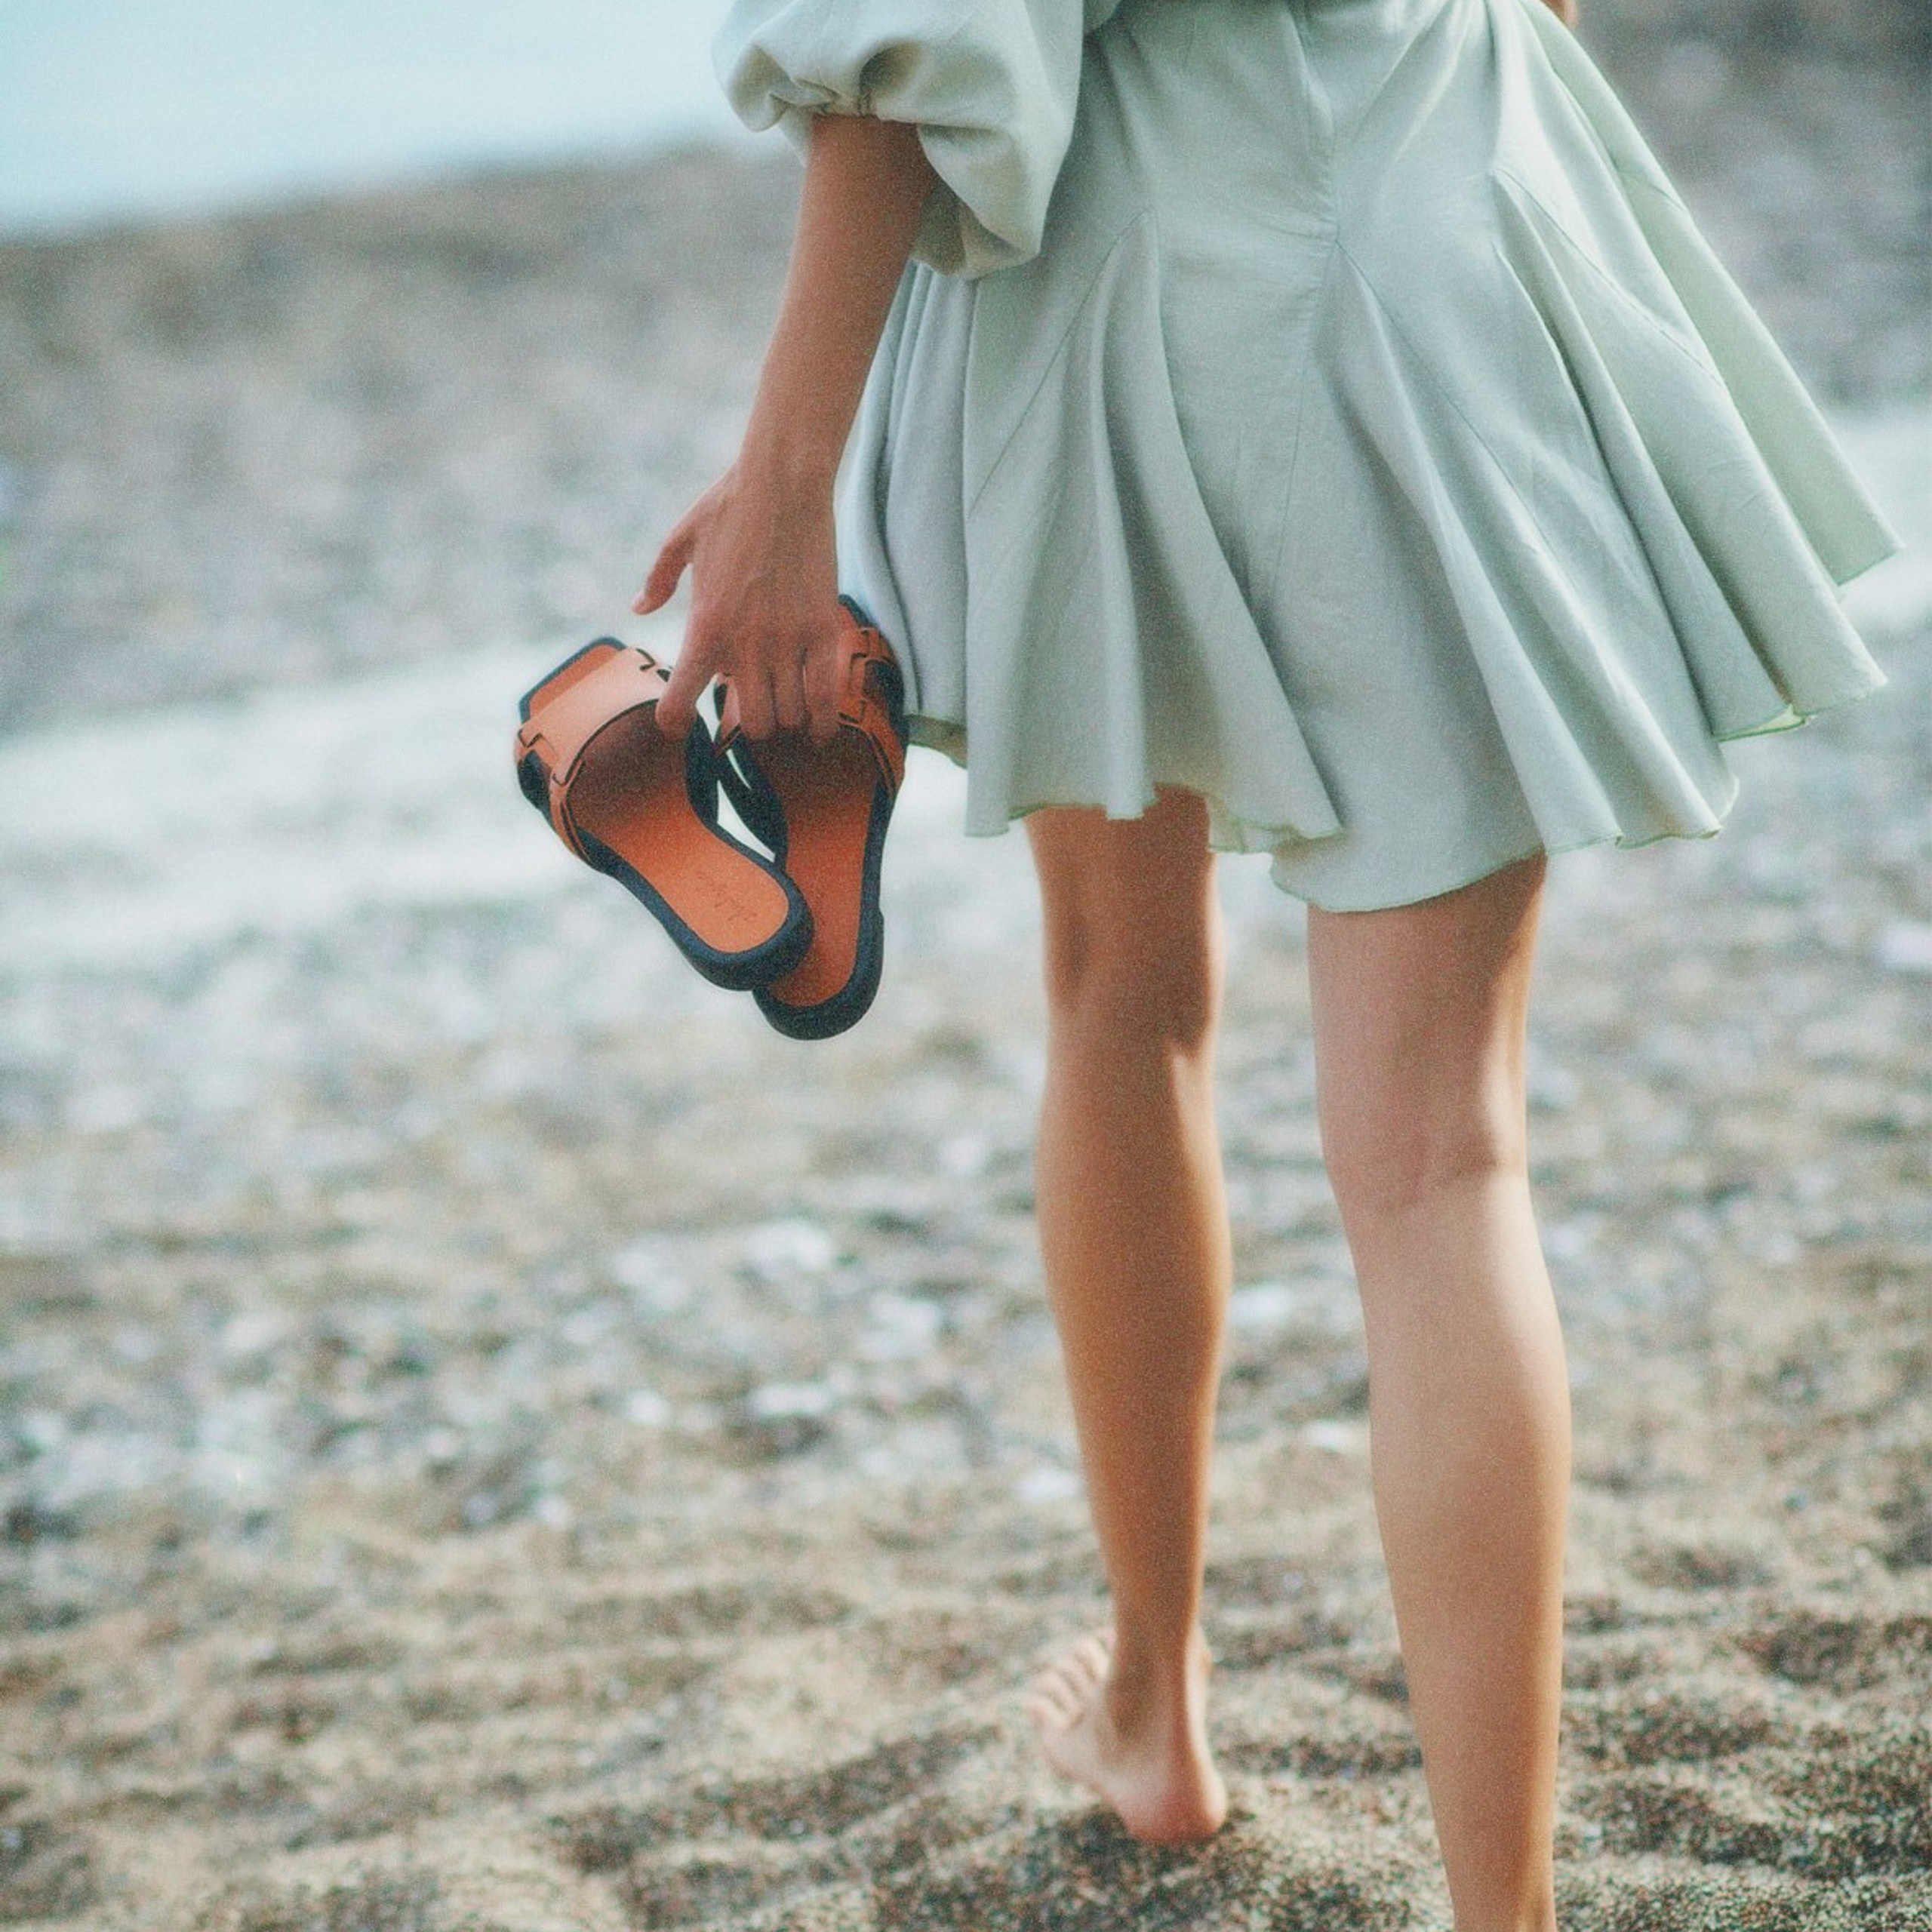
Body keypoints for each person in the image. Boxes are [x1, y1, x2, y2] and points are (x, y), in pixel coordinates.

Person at [631, 1, 1899, 1924]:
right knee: (1442, 1160)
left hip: (1113, 265)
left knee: (1120, 1002)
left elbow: (920, 23)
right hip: (1450, 195)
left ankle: (1154, 1703)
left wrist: (788, 469)